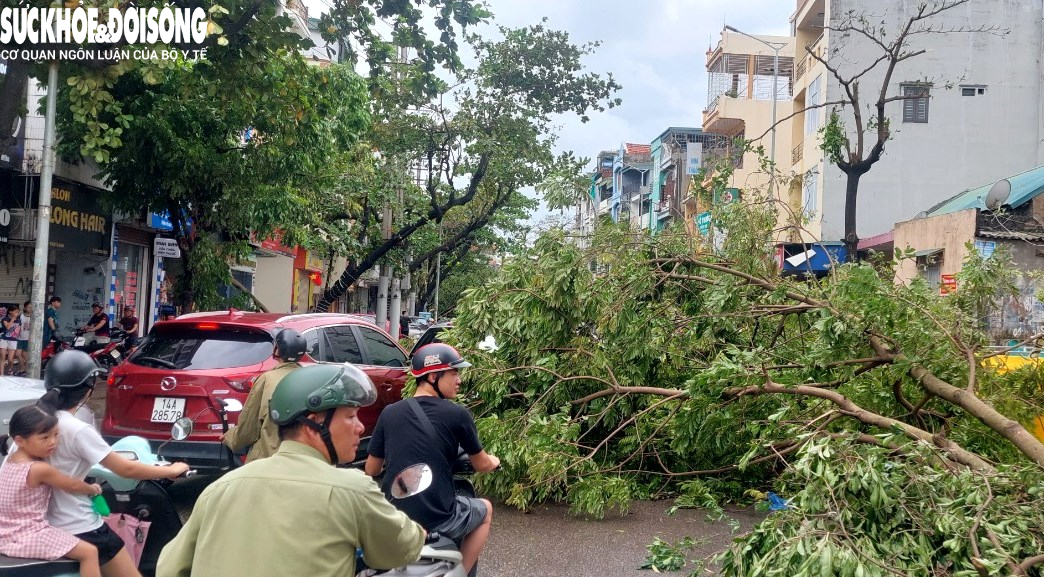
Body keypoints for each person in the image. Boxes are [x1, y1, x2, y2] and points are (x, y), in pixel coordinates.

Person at [157, 363, 426, 577]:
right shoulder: (353, 489)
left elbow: (169, 568)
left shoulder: (220, 488)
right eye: (350, 416)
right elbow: (399, 550)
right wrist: (419, 534)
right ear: (314, 422)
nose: (359, 427)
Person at [39, 350, 189, 577]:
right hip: (78, 527)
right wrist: (172, 469)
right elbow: (124, 468)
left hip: (40, 527)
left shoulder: (30, 426)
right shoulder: (77, 429)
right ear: (88, 391)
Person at [365, 343, 500, 575]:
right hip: (441, 519)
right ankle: (461, 572)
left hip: (395, 518)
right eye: (454, 373)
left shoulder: (390, 413)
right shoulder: (458, 414)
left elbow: (371, 468)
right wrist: (495, 461)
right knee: (485, 509)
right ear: (434, 376)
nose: (459, 380)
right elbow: (482, 464)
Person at [0, 404, 103, 577]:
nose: (53, 442)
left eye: (56, 435)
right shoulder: (39, 468)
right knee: (89, 553)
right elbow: (72, 485)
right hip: (28, 535)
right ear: (20, 441)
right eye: (45, 437)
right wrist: (92, 488)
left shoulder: (10, 461)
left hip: (5, 533)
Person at [223, 328, 307, 462]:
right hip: (304, 459)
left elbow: (249, 427)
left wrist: (230, 437)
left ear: (278, 350)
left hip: (268, 459)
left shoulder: (266, 379)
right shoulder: (311, 378)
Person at [1, 303, 21, 376]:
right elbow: (8, 327)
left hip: (13, 340)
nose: (17, 313)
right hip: (4, 339)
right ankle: (1, 373)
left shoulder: (18, 321)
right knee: (2, 356)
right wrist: (12, 319)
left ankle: (10, 369)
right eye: (15, 311)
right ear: (10, 312)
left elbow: (19, 330)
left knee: (10, 359)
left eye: (18, 312)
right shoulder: (5, 319)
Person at [16, 300, 31, 375]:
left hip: (28, 339)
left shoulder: (34, 317)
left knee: (25, 355)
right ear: (25, 308)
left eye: (31, 307)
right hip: (20, 338)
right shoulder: (21, 316)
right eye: (28, 307)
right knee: (18, 354)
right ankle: (23, 368)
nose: (30, 309)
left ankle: (26, 370)